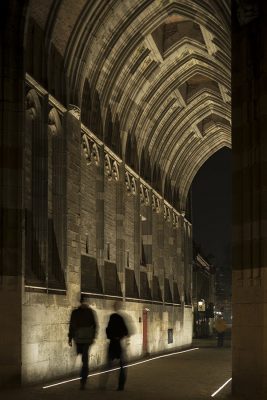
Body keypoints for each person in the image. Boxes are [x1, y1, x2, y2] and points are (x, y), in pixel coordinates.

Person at [68, 295, 97, 390]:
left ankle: (83, 380)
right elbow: (95, 325)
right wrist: (93, 337)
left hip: (79, 339)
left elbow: (72, 326)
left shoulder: (75, 312)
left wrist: (70, 338)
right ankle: (83, 380)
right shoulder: (90, 312)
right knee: (85, 360)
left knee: (83, 359)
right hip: (87, 339)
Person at [102, 301, 129, 391]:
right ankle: (120, 385)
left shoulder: (113, 317)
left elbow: (108, 330)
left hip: (113, 344)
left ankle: (104, 384)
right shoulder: (120, 317)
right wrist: (120, 337)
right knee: (121, 365)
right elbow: (126, 331)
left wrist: (112, 337)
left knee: (109, 365)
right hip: (118, 344)